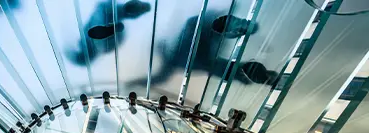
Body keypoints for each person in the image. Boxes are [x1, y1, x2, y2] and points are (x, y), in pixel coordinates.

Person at [129, 12, 278, 90]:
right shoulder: (173, 61)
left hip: (208, 49)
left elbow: (159, 78)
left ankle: (265, 77)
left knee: (222, 67)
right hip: (210, 58)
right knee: (225, 68)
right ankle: (265, 77)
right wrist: (137, 82)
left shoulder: (175, 57)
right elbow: (159, 78)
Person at [67, 0, 151, 66]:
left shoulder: (97, 45)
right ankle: (137, 8)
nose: (79, 42)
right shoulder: (96, 44)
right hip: (106, 19)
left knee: (115, 12)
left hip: (107, 18)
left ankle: (137, 9)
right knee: (114, 12)